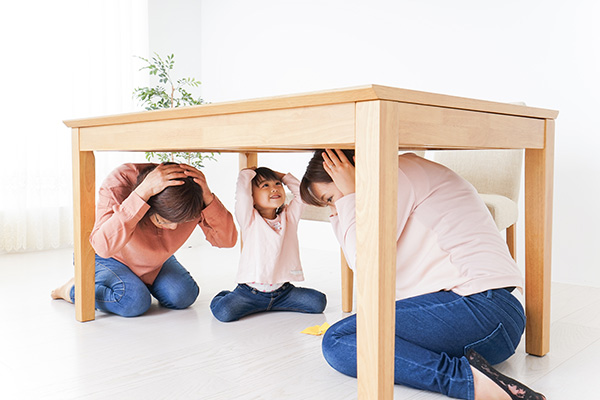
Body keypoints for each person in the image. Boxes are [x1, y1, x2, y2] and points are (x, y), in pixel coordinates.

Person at [299, 149, 546, 400]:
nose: (336, 209)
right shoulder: (401, 173)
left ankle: (470, 383)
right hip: (488, 326)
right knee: (359, 336)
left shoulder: (396, 175)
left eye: (331, 198)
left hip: (481, 309)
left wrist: (350, 195)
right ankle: (477, 375)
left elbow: (363, 261)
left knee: (339, 340)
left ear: (344, 171)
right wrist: (341, 205)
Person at [51, 162, 238, 317]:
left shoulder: (191, 195)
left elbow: (227, 241)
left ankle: (137, 280)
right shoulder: (120, 181)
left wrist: (208, 197)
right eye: (162, 221)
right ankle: (71, 289)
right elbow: (103, 247)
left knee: (184, 296)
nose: (173, 228)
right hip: (109, 255)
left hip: (153, 260)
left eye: (181, 222)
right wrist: (141, 194)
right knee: (133, 301)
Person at [210, 167, 327, 322]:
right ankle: (228, 295)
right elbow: (242, 194)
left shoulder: (289, 218)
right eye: (265, 185)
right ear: (252, 196)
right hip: (250, 293)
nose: (274, 189)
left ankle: (273, 305)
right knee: (224, 312)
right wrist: (248, 173)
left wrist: (284, 177)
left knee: (318, 302)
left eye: (278, 184)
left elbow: (302, 195)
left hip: (283, 292)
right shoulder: (249, 219)